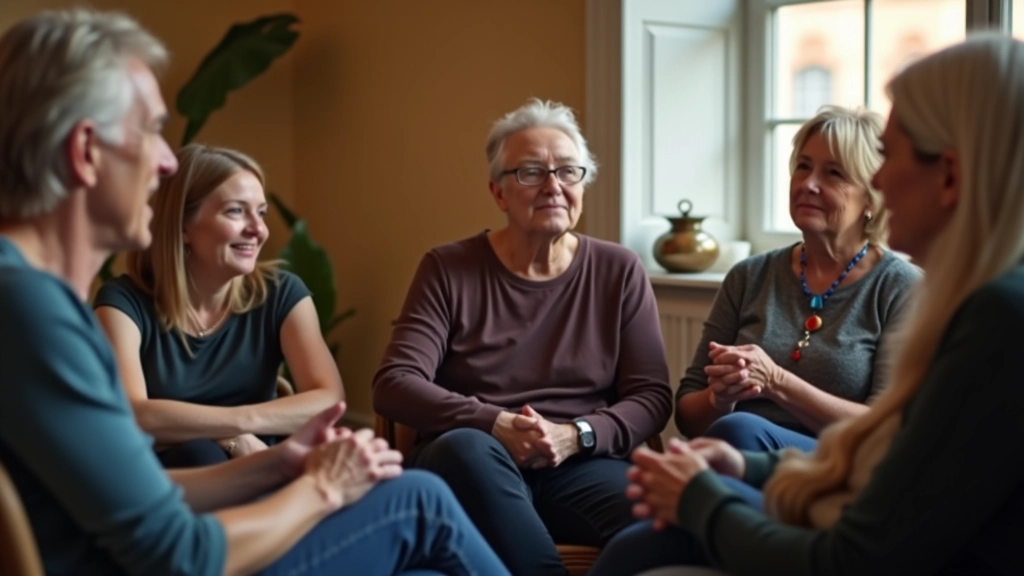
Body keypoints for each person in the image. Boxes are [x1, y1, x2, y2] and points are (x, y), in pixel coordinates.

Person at [0, 9, 508, 576]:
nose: (168, 160)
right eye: (150, 130)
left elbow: (136, 498)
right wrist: (322, 486)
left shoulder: (29, 296)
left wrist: (274, 465)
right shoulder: (32, 312)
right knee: (421, 502)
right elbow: (181, 553)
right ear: (86, 149)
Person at [589, 34, 1024, 576]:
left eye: (890, 157)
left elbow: (854, 551)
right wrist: (749, 466)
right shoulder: (980, 298)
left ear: (953, 175)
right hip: (789, 471)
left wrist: (703, 499)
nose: (883, 180)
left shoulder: (992, 316)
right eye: (803, 166)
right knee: (652, 537)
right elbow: (892, 454)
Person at [373, 98, 673, 575]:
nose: (553, 186)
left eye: (568, 172)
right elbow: (394, 383)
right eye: (531, 172)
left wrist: (578, 435)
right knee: (465, 446)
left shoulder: (618, 269)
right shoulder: (448, 268)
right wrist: (495, 423)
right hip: (471, 462)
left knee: (665, 523)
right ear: (498, 193)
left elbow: (652, 396)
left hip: (577, 463)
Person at [675, 105, 919, 452]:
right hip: (731, 450)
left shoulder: (901, 287)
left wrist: (776, 381)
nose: (808, 184)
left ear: (871, 199)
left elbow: (882, 429)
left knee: (738, 432)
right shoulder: (749, 275)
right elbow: (687, 417)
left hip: (836, 464)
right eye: (803, 167)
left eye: (833, 173)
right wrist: (719, 397)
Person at [95, 143, 343, 468]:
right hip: (169, 484)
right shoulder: (122, 304)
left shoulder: (281, 293)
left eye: (261, 212)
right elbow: (134, 414)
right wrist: (232, 435)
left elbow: (328, 400)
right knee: (202, 454)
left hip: (263, 465)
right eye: (236, 211)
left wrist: (236, 426)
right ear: (182, 225)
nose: (259, 230)